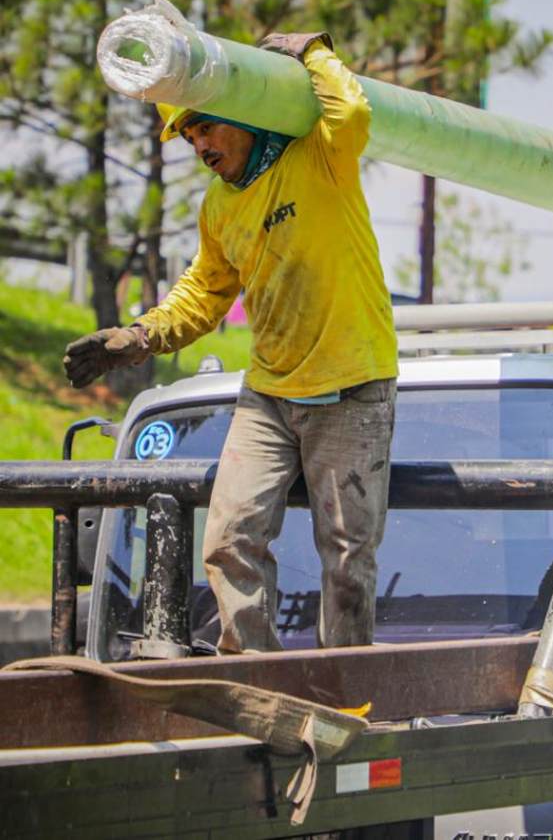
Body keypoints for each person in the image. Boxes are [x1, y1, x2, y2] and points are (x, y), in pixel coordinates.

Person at [62, 32, 398, 653]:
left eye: (206, 128)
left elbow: (351, 111)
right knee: (227, 542)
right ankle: (255, 678)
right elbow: (204, 292)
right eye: (189, 137)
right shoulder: (220, 206)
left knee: (348, 559)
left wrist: (312, 50)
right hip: (269, 395)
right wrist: (137, 337)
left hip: (352, 388)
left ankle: (344, 688)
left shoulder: (318, 156)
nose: (200, 147)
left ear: (244, 114)